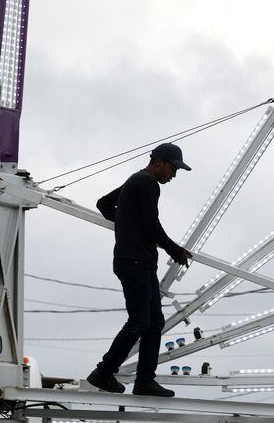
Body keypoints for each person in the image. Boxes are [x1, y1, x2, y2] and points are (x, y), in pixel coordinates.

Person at [86, 142, 192, 397]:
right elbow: (152, 226)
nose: (173, 175)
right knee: (141, 320)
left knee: (155, 321)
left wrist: (127, 223)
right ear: (159, 162)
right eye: (173, 169)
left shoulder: (136, 180)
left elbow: (103, 204)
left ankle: (145, 380)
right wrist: (174, 249)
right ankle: (104, 371)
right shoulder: (147, 183)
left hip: (136, 261)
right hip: (135, 262)